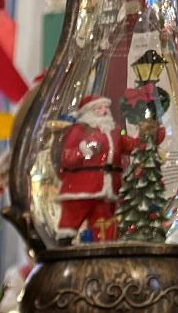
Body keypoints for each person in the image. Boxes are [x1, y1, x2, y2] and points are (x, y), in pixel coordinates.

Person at [57, 95, 134, 242]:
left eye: (105, 107)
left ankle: (100, 248)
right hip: (82, 188)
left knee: (103, 223)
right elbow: (67, 158)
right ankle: (64, 242)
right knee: (72, 219)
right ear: (89, 111)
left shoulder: (115, 131)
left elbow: (129, 145)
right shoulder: (79, 130)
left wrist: (148, 138)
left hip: (108, 188)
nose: (104, 111)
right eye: (99, 108)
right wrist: (85, 149)